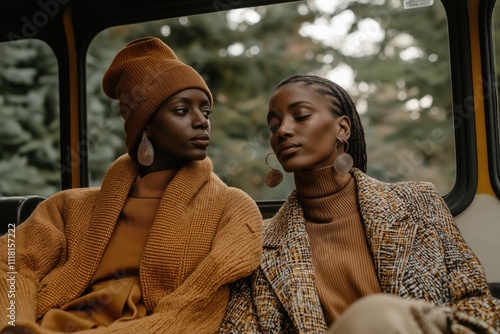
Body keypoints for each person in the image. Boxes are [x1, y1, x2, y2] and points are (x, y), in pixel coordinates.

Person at [0, 37, 262, 334]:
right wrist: (15, 323)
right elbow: (10, 263)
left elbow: (196, 309)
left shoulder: (233, 208)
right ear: (144, 124)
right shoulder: (67, 207)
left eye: (206, 111)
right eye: (181, 110)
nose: (201, 121)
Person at [220, 74, 500, 333]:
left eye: (301, 116)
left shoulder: (419, 201)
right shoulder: (261, 242)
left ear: (342, 128)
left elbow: (477, 302)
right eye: (274, 124)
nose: (283, 130)